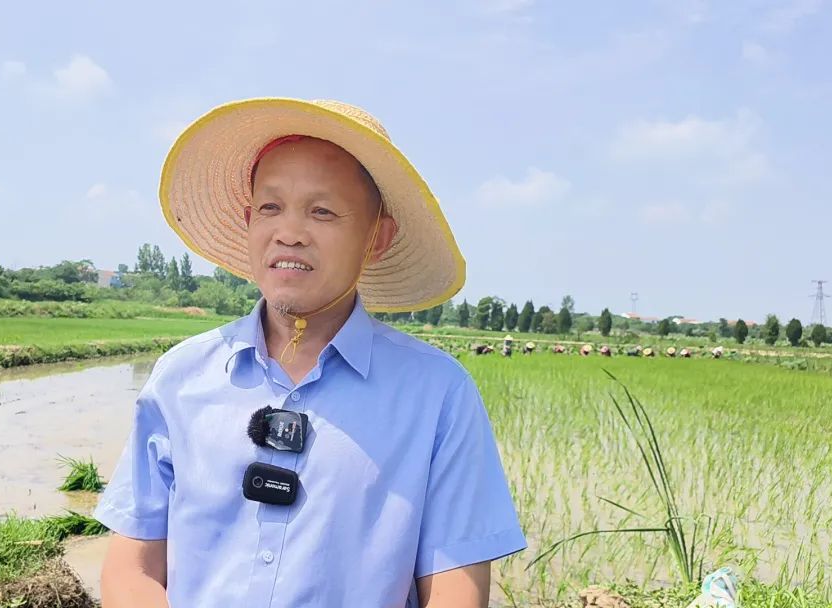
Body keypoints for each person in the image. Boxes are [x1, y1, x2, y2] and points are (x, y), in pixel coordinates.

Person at [93, 98, 526, 608]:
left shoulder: (437, 396)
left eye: (322, 211)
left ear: (376, 237)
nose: (290, 233)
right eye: (271, 208)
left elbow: (456, 590)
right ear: (249, 219)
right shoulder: (180, 378)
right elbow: (130, 572)